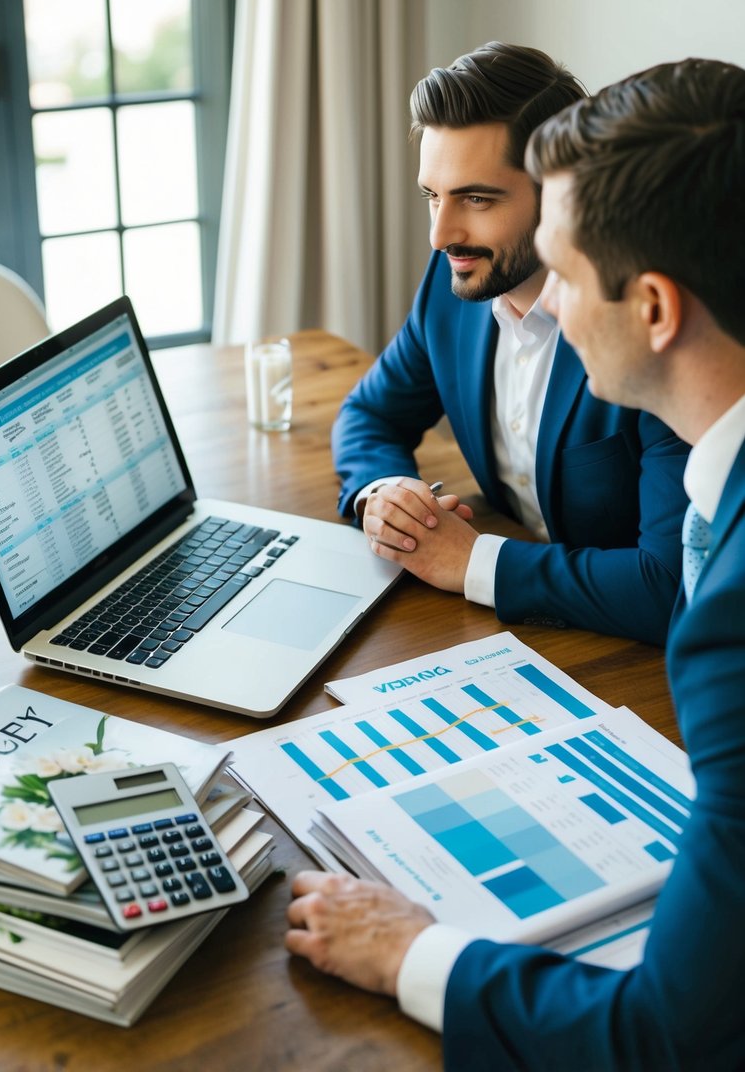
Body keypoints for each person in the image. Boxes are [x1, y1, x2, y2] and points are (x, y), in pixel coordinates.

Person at [286, 56, 745, 1070]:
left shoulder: (728, 626)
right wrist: (380, 494)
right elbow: (371, 413)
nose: (552, 307)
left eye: (568, 270)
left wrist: (409, 949)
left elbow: (661, 1033)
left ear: (655, 308)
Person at [333, 41, 689, 645]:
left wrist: (473, 563)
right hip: (507, 639)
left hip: (634, 664)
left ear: (559, 194)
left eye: (476, 198)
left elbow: (671, 587)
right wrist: (387, 495)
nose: (440, 234)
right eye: (431, 196)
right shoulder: (455, 282)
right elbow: (369, 414)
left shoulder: (647, 325)